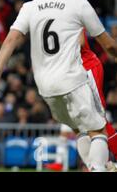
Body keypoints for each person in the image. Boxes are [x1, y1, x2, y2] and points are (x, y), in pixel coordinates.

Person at [0, 0, 117, 172]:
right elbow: (107, 44)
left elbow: (9, 40)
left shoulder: (29, 7)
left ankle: (97, 166)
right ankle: (99, 168)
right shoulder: (79, 4)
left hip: (46, 87)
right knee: (98, 130)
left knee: (79, 129)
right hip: (72, 79)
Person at [45, 29, 117, 171]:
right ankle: (97, 165)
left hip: (87, 69)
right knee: (77, 125)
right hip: (70, 76)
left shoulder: (70, 12)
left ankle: (104, 162)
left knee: (99, 120)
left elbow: (80, 42)